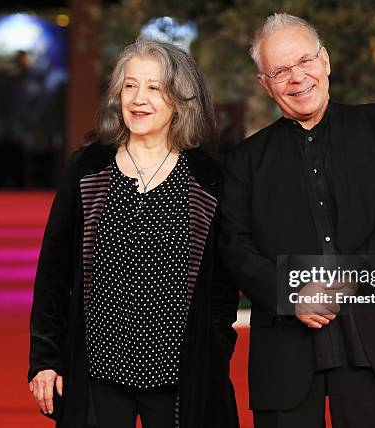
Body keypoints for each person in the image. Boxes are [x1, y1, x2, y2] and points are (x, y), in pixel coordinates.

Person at [218, 13, 375, 428]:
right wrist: (292, 295)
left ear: (325, 61)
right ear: (263, 83)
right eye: (281, 70)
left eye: (304, 61)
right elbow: (234, 247)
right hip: (286, 353)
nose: (297, 78)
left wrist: (347, 282)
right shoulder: (244, 161)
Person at [28, 38, 239, 428]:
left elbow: (222, 288)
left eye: (154, 87)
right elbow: (53, 273)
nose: (138, 98)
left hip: (178, 377)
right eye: (130, 85)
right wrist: (45, 360)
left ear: (180, 99)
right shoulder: (87, 168)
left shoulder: (206, 179)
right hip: (97, 372)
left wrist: (212, 358)